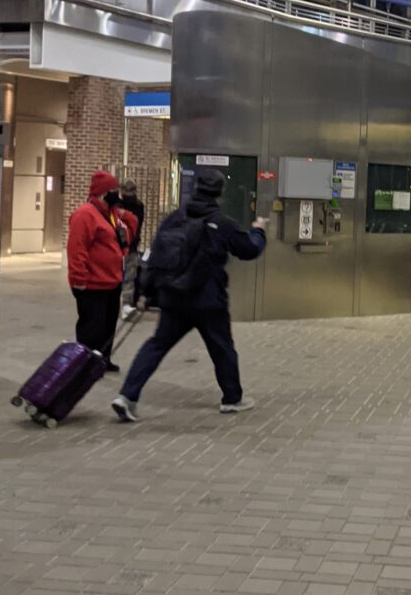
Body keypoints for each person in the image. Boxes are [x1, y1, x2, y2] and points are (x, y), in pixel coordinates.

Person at [111, 169, 268, 422]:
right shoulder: (221, 223)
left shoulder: (174, 219)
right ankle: (232, 398)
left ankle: (127, 396)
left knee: (157, 345)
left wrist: (148, 292)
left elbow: (156, 254)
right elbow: (249, 250)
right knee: (222, 348)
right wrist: (258, 230)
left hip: (174, 297)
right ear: (218, 192)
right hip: (208, 300)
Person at [66, 170, 140, 371]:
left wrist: (122, 213)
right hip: (92, 284)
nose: (118, 193)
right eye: (114, 190)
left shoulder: (112, 215)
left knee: (108, 327)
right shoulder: (85, 215)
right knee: (92, 328)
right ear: (103, 192)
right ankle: (84, 365)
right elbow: (76, 250)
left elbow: (131, 224)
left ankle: (102, 360)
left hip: (112, 281)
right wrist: (78, 278)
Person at [119, 178, 146, 318]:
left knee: (121, 276)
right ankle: (126, 305)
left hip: (119, 246)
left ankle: (123, 305)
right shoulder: (139, 206)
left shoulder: (117, 206)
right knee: (130, 277)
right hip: (132, 246)